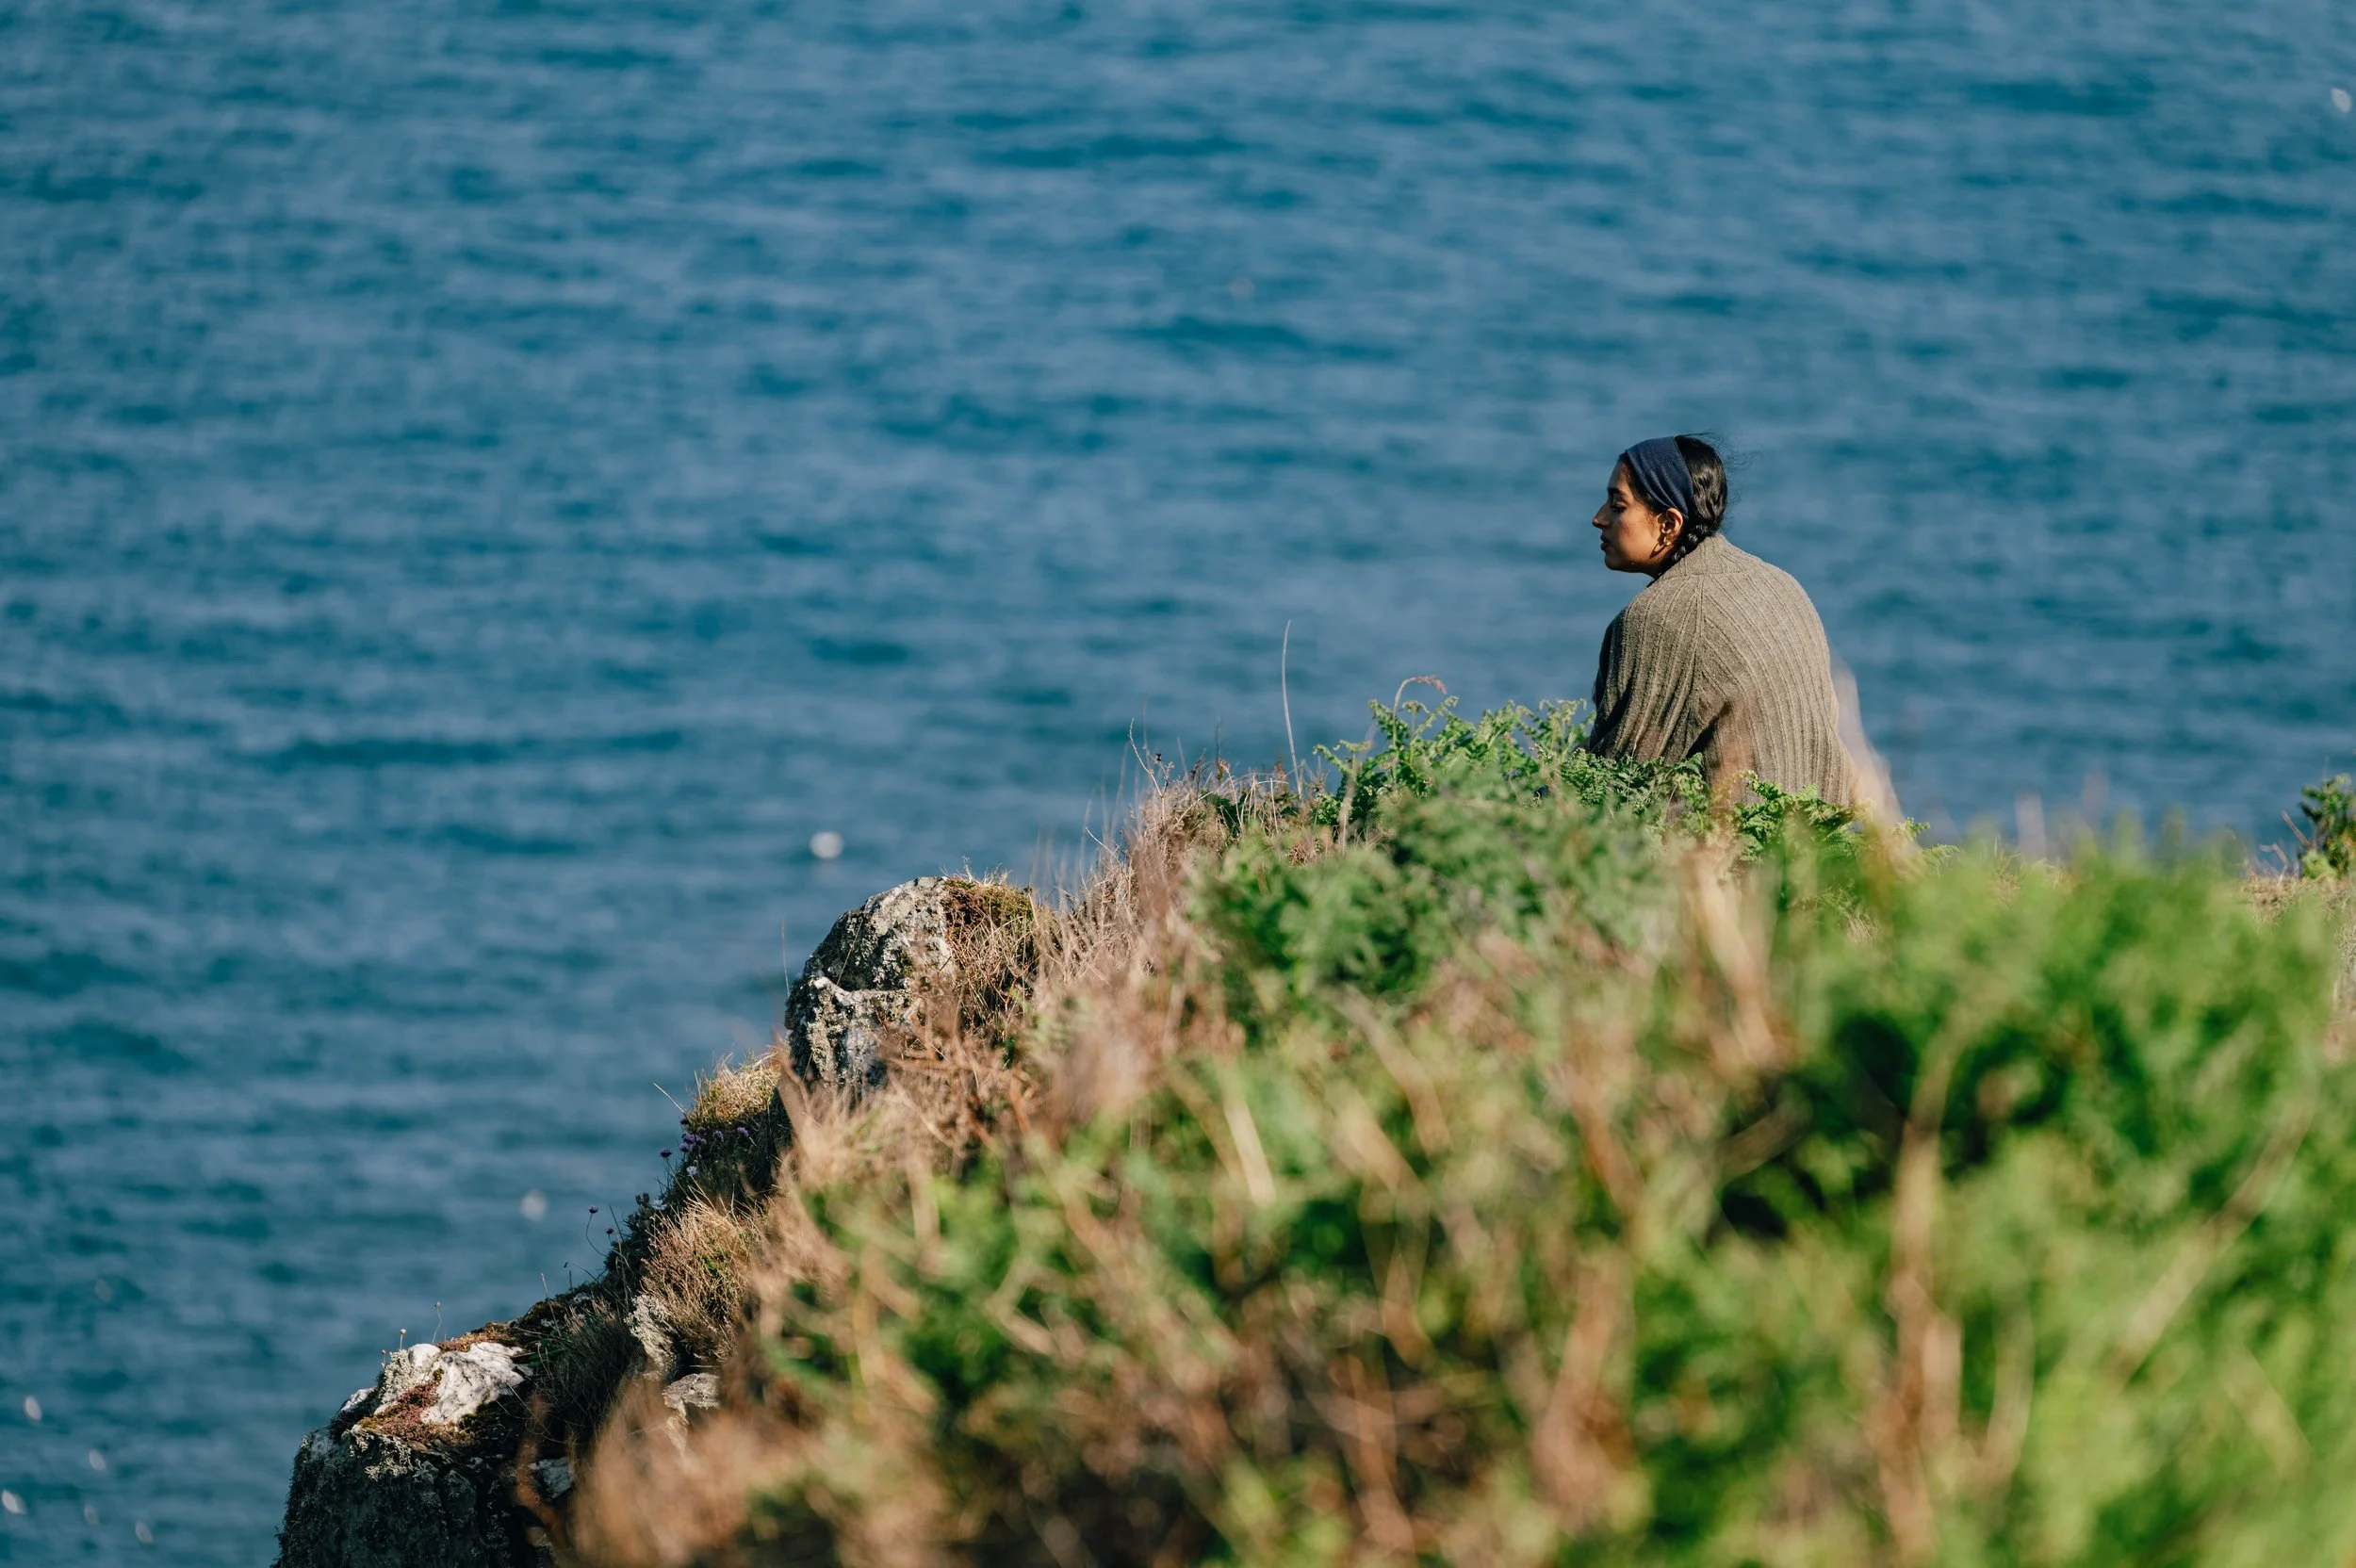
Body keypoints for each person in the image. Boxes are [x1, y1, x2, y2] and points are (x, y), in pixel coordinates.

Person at [1582, 434, 1857, 805]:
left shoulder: (1658, 618)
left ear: (1668, 523)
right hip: (1818, 838)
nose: (1598, 518)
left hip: (1733, 852)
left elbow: (1611, 782)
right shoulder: (1780, 583)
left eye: (1618, 506)